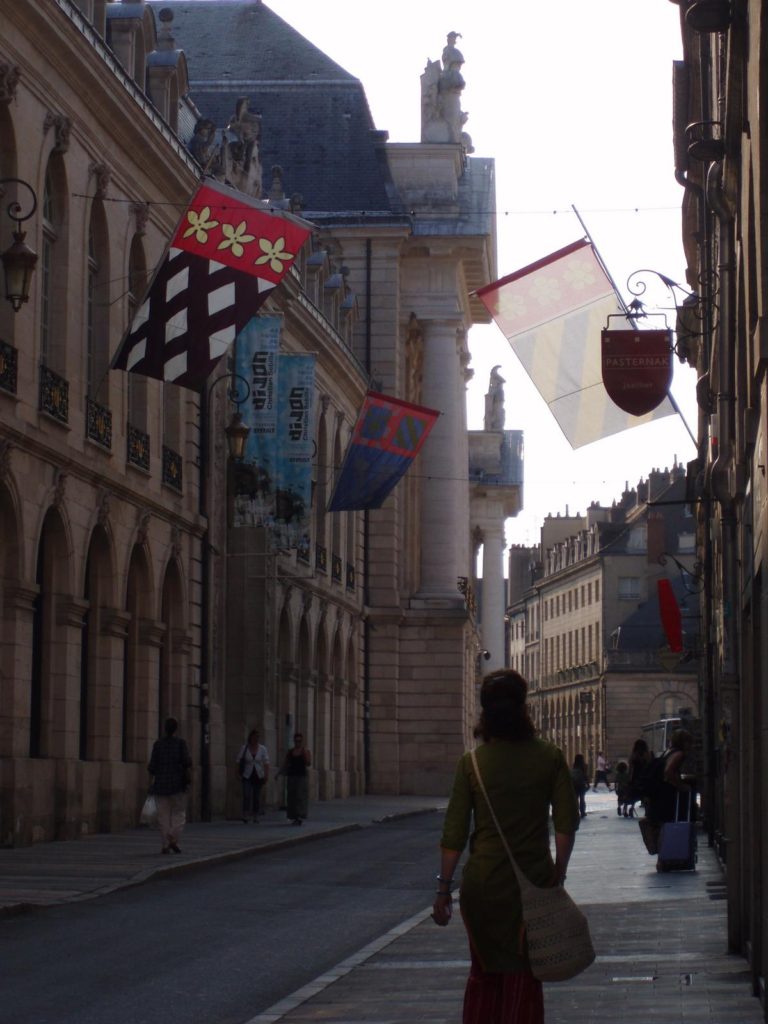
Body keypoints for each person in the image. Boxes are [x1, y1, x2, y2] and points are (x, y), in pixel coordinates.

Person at [432, 669, 579, 1024]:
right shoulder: (550, 757)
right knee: (523, 975)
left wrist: (442, 891)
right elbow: (565, 823)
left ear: (485, 714)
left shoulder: (472, 764)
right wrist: (559, 871)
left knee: (483, 972)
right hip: (533, 881)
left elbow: (453, 833)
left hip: (482, 888)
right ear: (523, 708)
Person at [148, 717, 192, 855]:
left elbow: (152, 766)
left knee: (163, 815)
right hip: (177, 784)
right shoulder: (180, 744)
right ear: (176, 729)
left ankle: (166, 844)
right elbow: (187, 761)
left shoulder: (158, 744)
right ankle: (173, 837)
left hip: (161, 784)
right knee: (179, 814)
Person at [278, 731, 312, 825]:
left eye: (299, 741)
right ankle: (293, 816)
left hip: (301, 777)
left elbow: (308, 763)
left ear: (302, 741)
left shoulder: (305, 751)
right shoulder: (290, 752)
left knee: (300, 796)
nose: (298, 743)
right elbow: (286, 763)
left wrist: (304, 753)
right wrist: (279, 773)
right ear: (294, 741)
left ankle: (300, 815)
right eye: (296, 741)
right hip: (292, 776)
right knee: (291, 797)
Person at [236, 729, 270, 823]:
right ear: (250, 737)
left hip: (258, 775)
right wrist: (237, 773)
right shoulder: (245, 748)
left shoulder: (262, 749)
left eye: (258, 737)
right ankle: (245, 813)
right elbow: (238, 761)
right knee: (246, 794)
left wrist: (266, 775)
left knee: (256, 796)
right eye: (255, 736)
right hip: (247, 775)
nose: (256, 738)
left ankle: (256, 815)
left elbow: (266, 763)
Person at [627, 737, 652, 816]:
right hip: (645, 777)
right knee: (645, 795)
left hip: (636, 777)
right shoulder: (647, 754)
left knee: (635, 795)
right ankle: (647, 811)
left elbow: (630, 768)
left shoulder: (633, 755)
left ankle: (632, 808)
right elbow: (649, 765)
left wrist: (629, 779)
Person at [571, 753, 589, 818]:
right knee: (582, 799)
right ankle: (582, 812)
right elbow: (585, 776)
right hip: (581, 784)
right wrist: (588, 784)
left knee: (575, 799)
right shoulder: (583, 766)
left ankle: (575, 811)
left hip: (574, 784)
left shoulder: (574, 766)